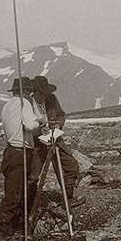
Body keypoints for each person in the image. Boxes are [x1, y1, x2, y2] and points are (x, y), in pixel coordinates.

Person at [0, 77, 41, 241]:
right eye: (30, 92)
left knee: (15, 191)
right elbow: (30, 126)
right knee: (14, 194)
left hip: (11, 152)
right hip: (20, 152)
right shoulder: (24, 104)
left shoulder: (7, 106)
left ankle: (14, 225)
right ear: (26, 92)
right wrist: (39, 121)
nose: (30, 95)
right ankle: (1, 232)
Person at [30, 76, 84, 209]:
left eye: (46, 93)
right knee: (33, 174)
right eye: (41, 94)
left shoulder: (51, 99)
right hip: (38, 143)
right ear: (35, 92)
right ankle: (28, 203)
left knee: (70, 166)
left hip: (55, 138)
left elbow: (61, 115)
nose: (44, 96)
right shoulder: (27, 104)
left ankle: (68, 198)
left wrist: (58, 126)